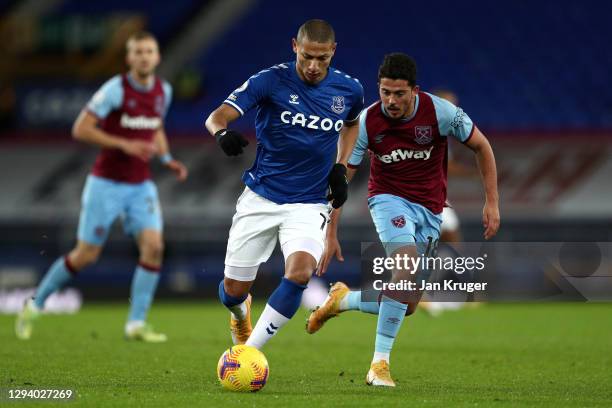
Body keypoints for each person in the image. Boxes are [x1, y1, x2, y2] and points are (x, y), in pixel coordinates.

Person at [306, 53, 500, 386]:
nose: (391, 101)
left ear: (414, 91)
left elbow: (482, 146)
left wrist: (492, 202)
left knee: (407, 302)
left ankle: (343, 299)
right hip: (387, 201)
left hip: (431, 210)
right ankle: (378, 366)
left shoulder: (441, 112)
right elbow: (343, 178)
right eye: (385, 92)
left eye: (399, 93)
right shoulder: (367, 122)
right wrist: (331, 232)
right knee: (405, 269)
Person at [15, 31, 188, 342]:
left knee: (154, 247)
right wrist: (124, 144)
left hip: (140, 185)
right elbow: (80, 128)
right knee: (86, 255)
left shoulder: (163, 91)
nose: (144, 57)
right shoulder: (115, 90)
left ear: (157, 56)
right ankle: (34, 305)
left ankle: (136, 323)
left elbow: (155, 127)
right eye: (138, 52)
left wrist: (166, 158)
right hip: (105, 184)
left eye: (149, 51)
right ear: (129, 58)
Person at [205, 19, 364, 350]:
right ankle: (240, 313)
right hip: (261, 197)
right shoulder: (270, 80)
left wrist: (341, 165)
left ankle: (248, 354)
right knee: (233, 291)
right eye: (307, 56)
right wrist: (221, 133)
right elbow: (217, 115)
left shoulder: (350, 89)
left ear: (333, 51)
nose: (313, 65)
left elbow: (351, 125)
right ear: (295, 46)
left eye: (322, 58)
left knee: (301, 273)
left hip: (309, 203)